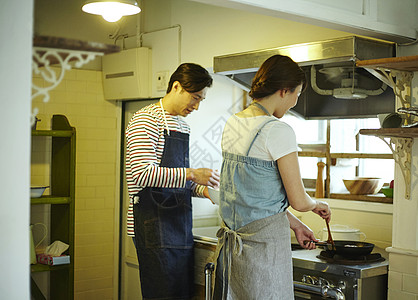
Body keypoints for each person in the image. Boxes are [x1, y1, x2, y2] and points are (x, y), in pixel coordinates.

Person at [213, 55, 331, 299]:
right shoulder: (277, 130)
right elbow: (299, 200)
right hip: (264, 253)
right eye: (296, 94)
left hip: (233, 252)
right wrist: (318, 205)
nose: (295, 102)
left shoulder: (233, 123)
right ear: (284, 90)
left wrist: (296, 225)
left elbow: (253, 198)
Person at [125, 63, 220, 300]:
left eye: (201, 100)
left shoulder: (182, 125)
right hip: (152, 225)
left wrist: (206, 191)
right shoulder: (145, 120)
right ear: (176, 87)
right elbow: (141, 173)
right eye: (194, 97)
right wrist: (191, 173)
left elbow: (178, 180)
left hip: (179, 227)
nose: (196, 106)